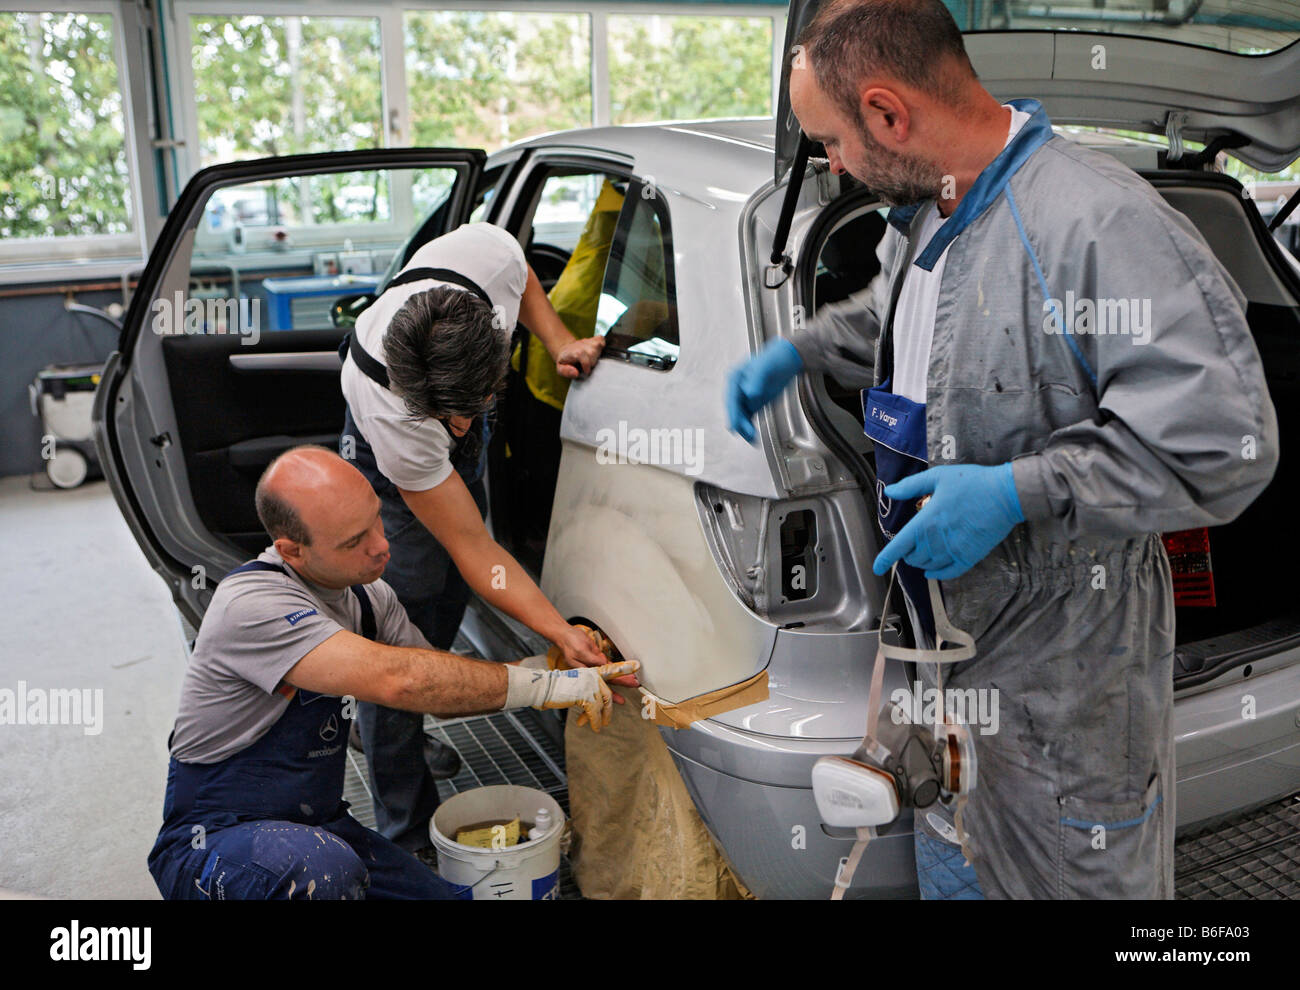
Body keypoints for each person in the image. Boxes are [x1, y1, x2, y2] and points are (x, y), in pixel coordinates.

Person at [727, 0, 1277, 898]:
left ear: (887, 113)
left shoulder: (1095, 225)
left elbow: (1226, 441)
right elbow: (909, 323)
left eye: (832, 142)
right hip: (949, 703)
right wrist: (802, 348)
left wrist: (1020, 492)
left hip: (1066, 725)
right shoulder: (926, 216)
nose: (833, 164)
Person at [147, 447, 636, 900]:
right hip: (216, 839)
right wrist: (550, 689)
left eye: (377, 522)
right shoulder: (252, 606)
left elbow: (438, 684)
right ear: (292, 551)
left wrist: (548, 668)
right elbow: (399, 680)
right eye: (356, 541)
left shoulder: (367, 597)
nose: (383, 547)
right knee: (323, 874)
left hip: (320, 825)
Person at [339, 221, 639, 859]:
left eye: (474, 406)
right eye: (452, 417)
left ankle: (413, 711)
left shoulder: (485, 253)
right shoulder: (399, 418)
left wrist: (557, 340)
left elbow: (522, 275)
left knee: (450, 594)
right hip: (395, 454)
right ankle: (403, 820)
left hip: (443, 397)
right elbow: (479, 552)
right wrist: (558, 631)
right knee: (407, 612)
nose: (463, 428)